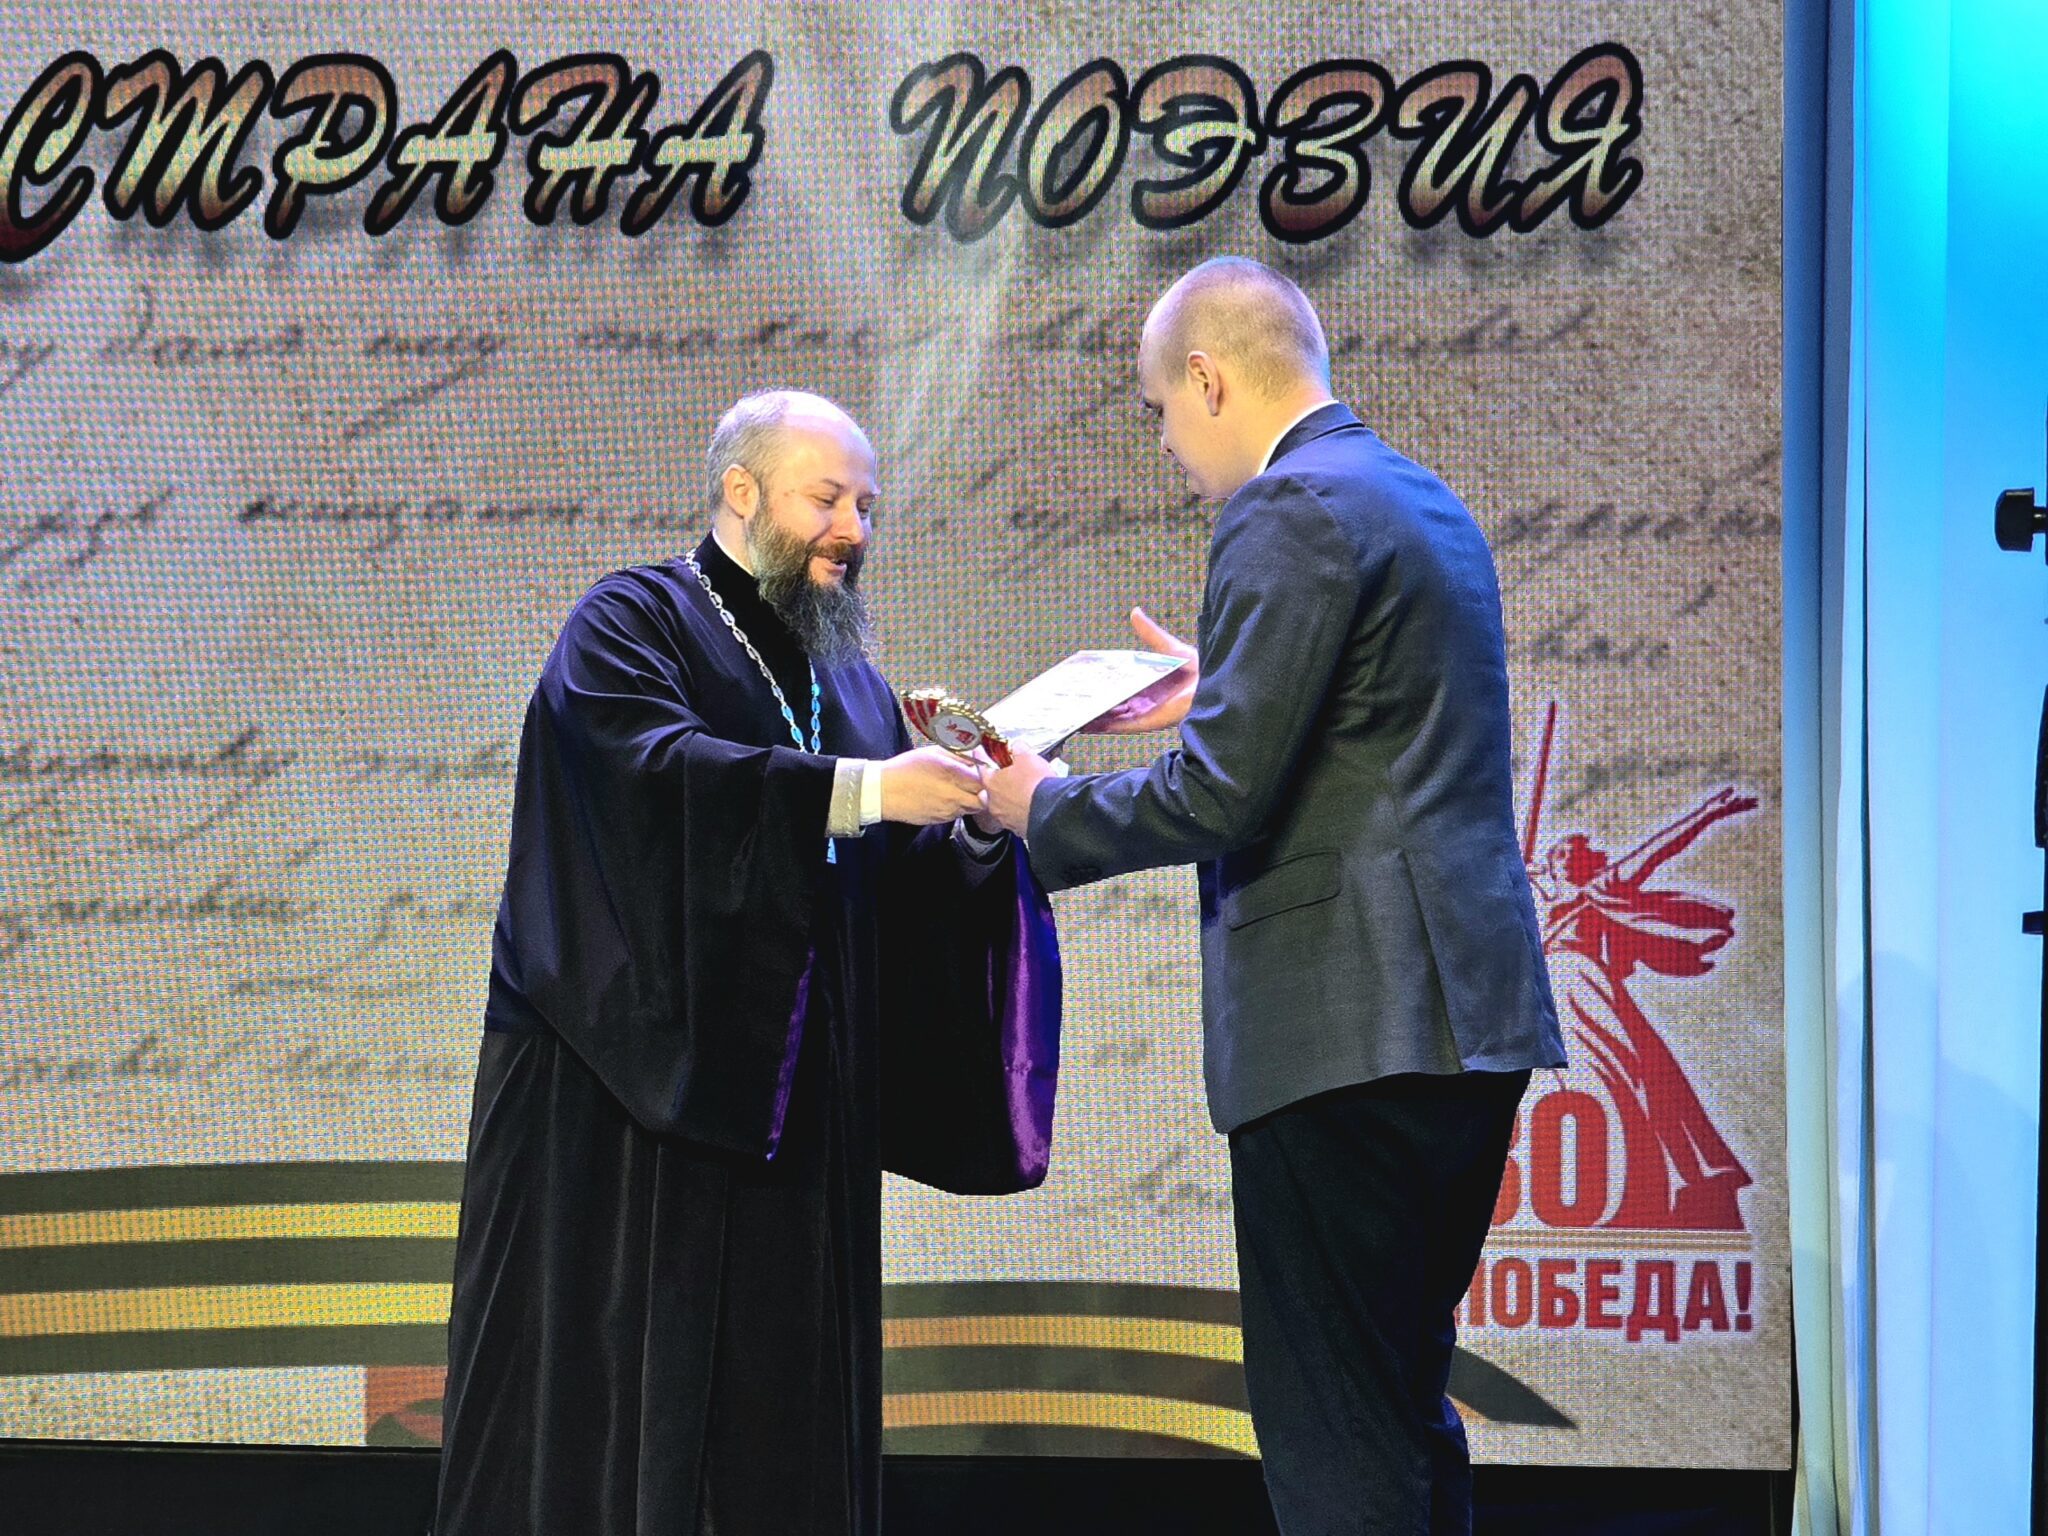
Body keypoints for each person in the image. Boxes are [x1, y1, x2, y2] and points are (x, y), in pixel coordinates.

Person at [981, 258, 1565, 1536]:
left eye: (1159, 413)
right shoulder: (1416, 496)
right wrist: (1231, 678)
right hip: (1460, 1025)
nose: (1167, 447)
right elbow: (1375, 717)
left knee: (1333, 1427)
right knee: (1394, 1401)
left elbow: (1216, 797)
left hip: (1347, 1030)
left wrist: (1041, 806)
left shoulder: (1284, 505)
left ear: (1206, 379)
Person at [434, 390, 1061, 1536]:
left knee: (781, 1432)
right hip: (630, 1122)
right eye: (826, 499)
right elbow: (646, 782)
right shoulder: (632, 622)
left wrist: (977, 826)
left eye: (864, 505)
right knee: (625, 1420)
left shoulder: (847, 680)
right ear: (740, 490)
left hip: (798, 1130)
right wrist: (862, 790)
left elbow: (888, 894)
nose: (851, 529)